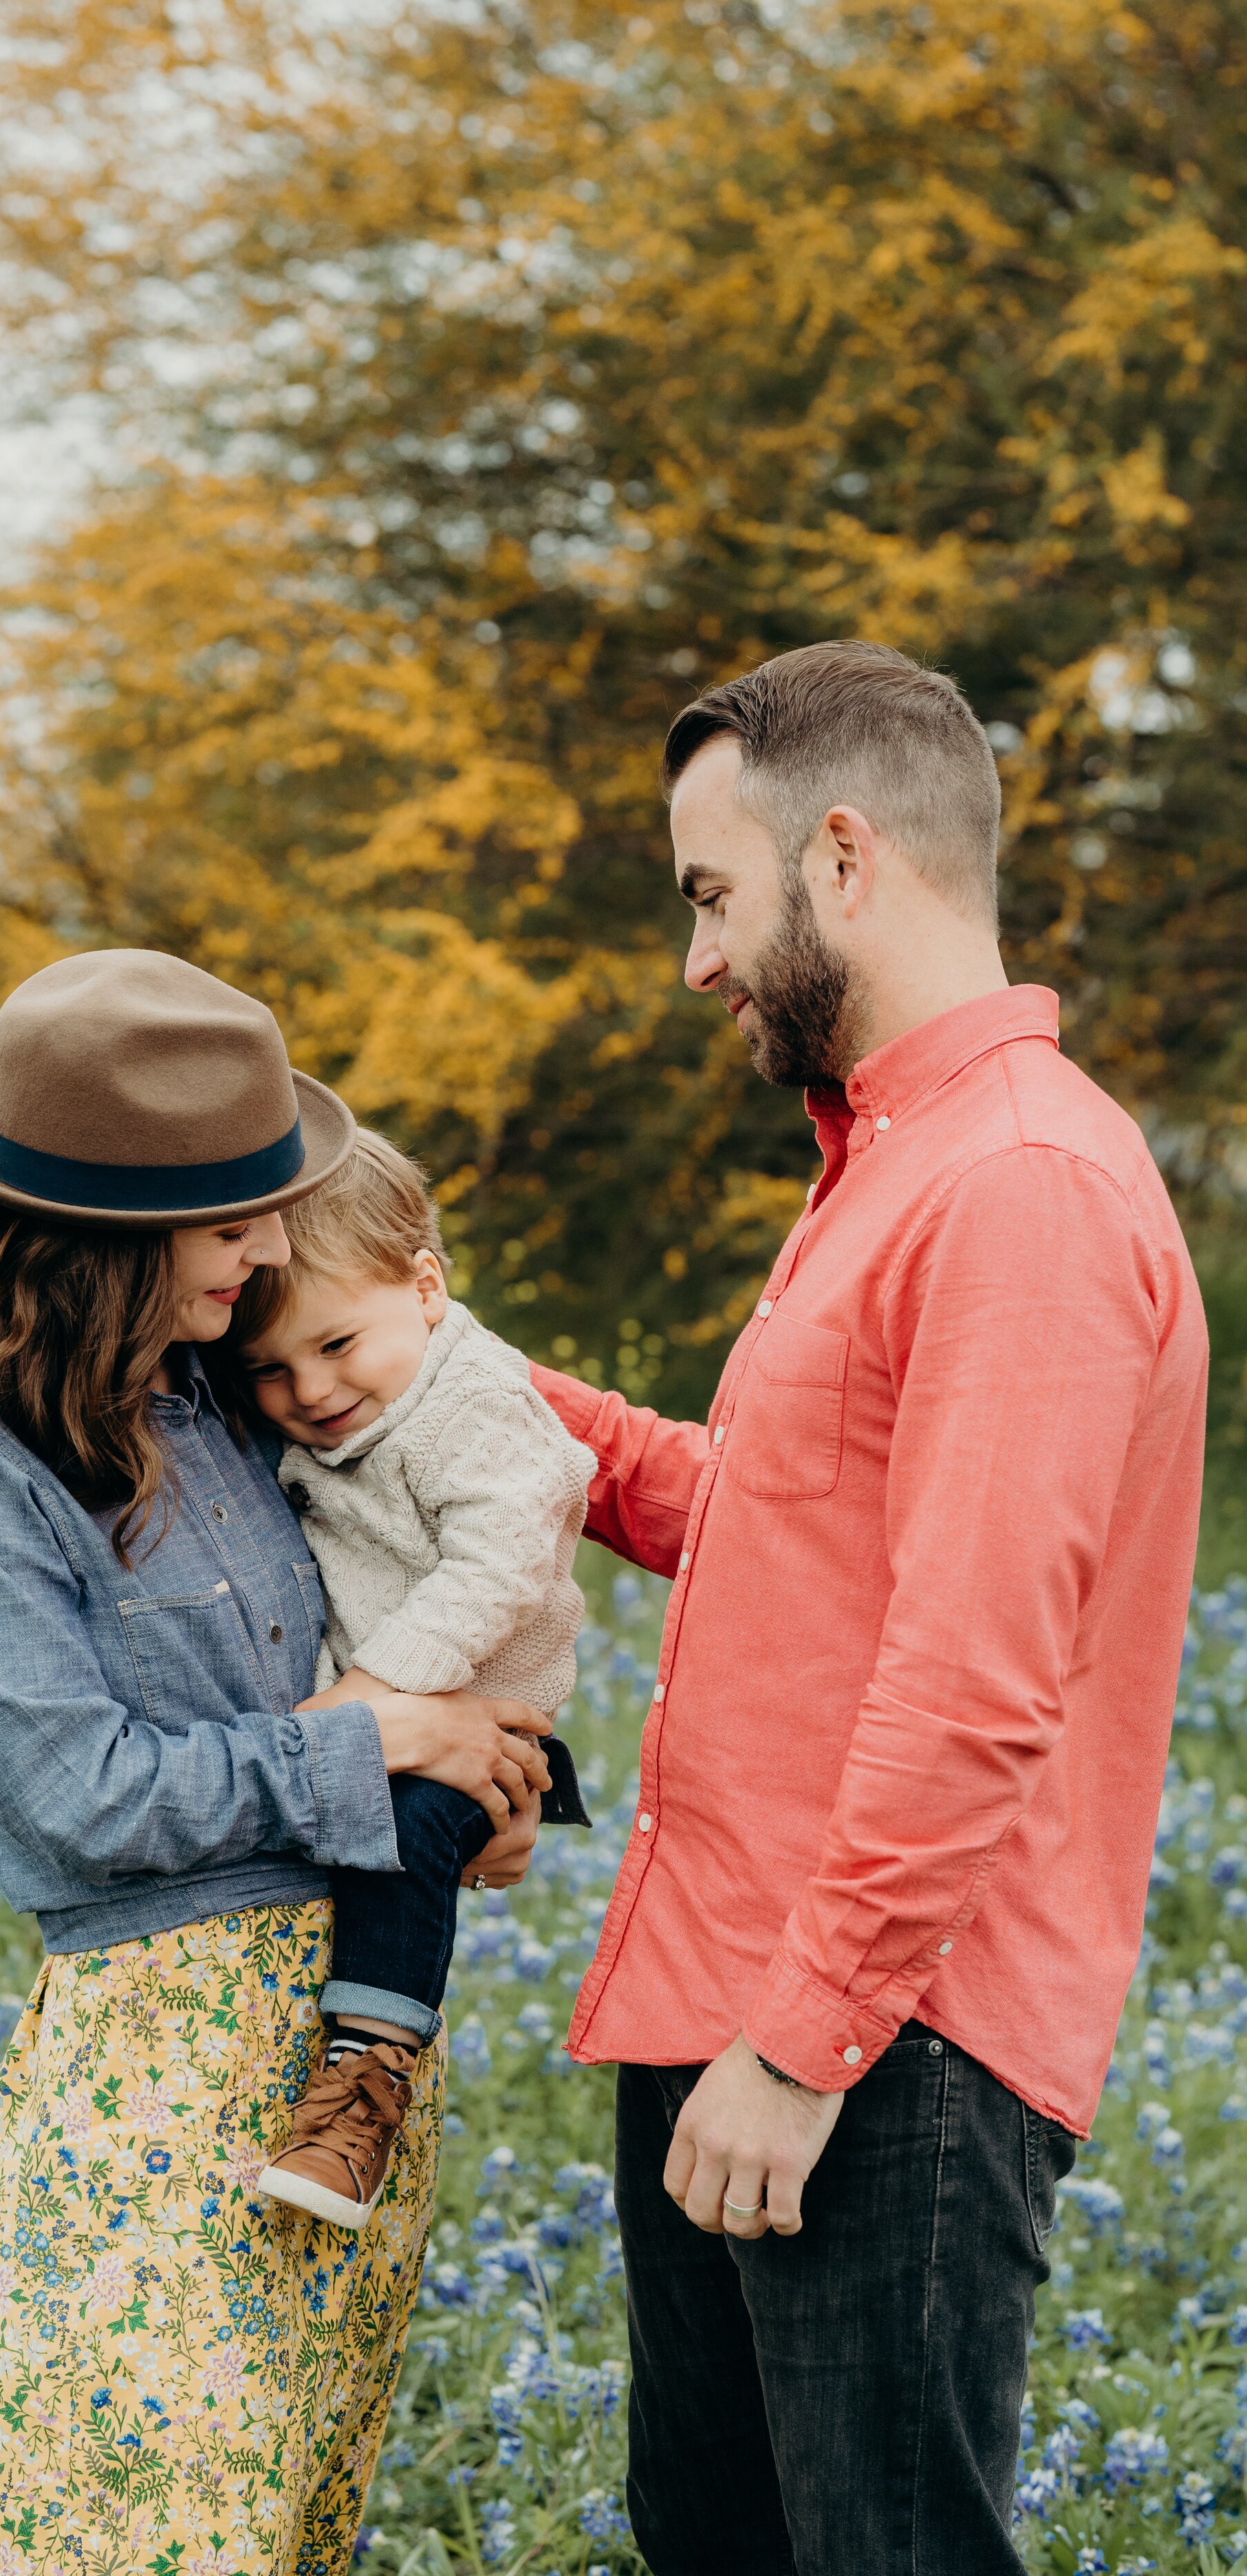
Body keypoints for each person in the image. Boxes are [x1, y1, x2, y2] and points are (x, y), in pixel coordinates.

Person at [528, 641, 1209, 2576]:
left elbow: (977, 1670)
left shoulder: (1015, 1186)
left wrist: (801, 2041)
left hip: (870, 2043)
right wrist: (456, 1387)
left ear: (840, 858)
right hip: (740, 2004)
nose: (696, 961)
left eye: (706, 896)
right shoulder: (889, 1171)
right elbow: (766, 1533)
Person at [0, 948, 550, 2576]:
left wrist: (468, 1792)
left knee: (285, 2535)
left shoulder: (235, 1393)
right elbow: (82, 1796)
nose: (270, 1245)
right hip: (151, 2075)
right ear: (103, 1233)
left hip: (348, 2070)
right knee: (126, 2540)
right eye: (234, 1215)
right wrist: (381, 1739)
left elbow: (449, 1511)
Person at [213, 1128, 596, 2227]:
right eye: (272, 1371)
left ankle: (367, 2082)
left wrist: (372, 1698)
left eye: (338, 1343)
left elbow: (502, 1563)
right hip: (372, 1710)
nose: (313, 1387)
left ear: (426, 1286)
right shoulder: (355, 1398)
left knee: (398, 1844)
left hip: (480, 1724)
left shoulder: (473, 1405)